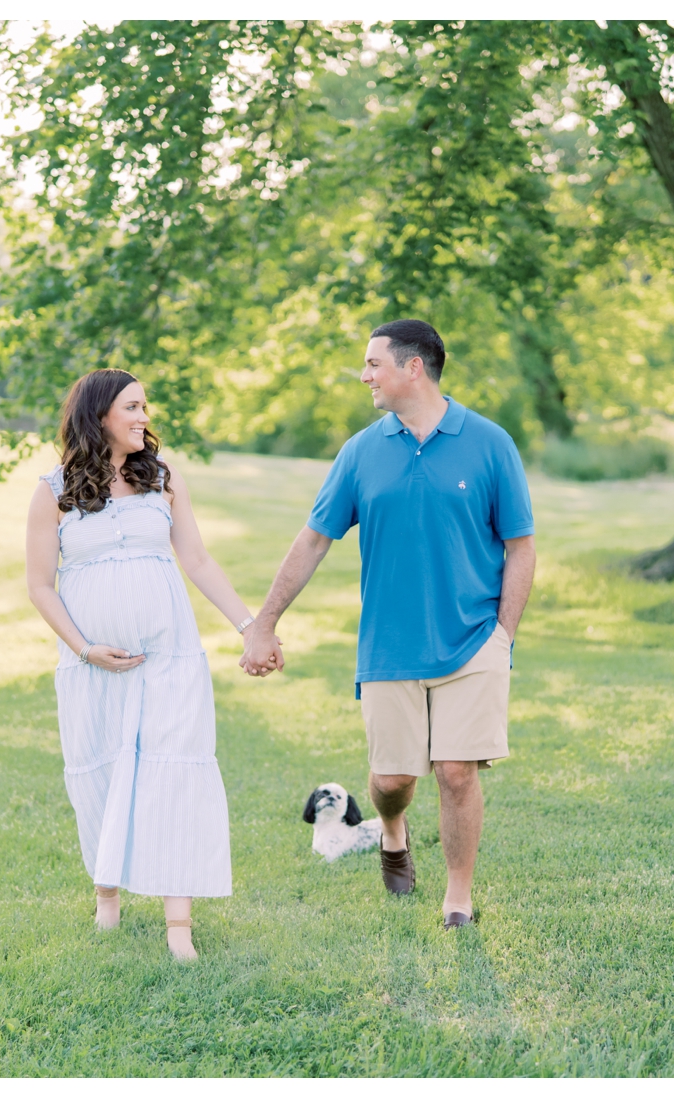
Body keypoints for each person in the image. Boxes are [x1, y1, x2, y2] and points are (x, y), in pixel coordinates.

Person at [240, 320, 536, 929]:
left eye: (374, 363)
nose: (365, 375)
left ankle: (458, 898)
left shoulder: (489, 443)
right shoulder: (361, 451)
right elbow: (314, 540)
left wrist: (504, 634)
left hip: (474, 637)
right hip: (389, 646)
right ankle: (391, 831)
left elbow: (520, 546)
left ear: (414, 368)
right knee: (394, 778)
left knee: (457, 774)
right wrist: (263, 623)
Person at [26, 369, 274, 960]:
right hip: (91, 665)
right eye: (132, 407)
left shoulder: (162, 480)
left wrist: (251, 627)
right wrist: (86, 649)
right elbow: (40, 587)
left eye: (144, 407)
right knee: (105, 773)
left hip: (169, 658)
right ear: (99, 415)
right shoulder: (53, 489)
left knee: (173, 775)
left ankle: (178, 931)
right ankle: (106, 898)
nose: (144, 416)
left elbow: (198, 560)